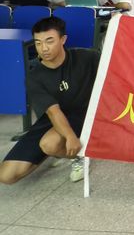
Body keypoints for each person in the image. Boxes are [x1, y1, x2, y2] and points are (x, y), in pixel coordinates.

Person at [0, 17, 99, 185]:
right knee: (6, 176)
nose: (43, 48)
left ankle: (78, 156)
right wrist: (69, 137)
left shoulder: (87, 57)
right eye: (38, 43)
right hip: (53, 118)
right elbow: (53, 112)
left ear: (63, 39)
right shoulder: (34, 76)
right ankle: (60, 151)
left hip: (85, 114)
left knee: (49, 144)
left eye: (49, 41)